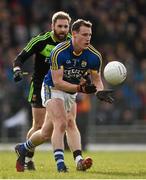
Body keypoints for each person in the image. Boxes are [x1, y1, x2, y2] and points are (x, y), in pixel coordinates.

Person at [15, 19, 114, 172]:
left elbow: (96, 80)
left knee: (49, 131)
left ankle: (24, 148)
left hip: (71, 92)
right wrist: (81, 88)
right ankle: (61, 165)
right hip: (51, 88)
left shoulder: (94, 56)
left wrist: (99, 91)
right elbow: (58, 82)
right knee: (62, 122)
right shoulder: (59, 51)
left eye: (90, 35)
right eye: (84, 35)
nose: (88, 38)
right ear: (74, 34)